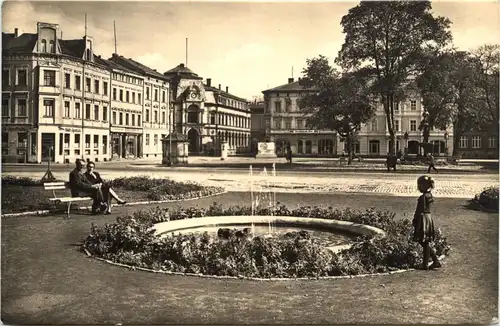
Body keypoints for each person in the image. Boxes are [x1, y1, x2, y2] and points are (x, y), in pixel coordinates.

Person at [412, 175, 442, 270]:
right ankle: (435, 260)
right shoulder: (429, 195)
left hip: (422, 218)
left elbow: (419, 210)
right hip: (428, 217)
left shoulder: (422, 197)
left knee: (423, 241)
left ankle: (425, 264)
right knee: (426, 241)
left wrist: (415, 219)